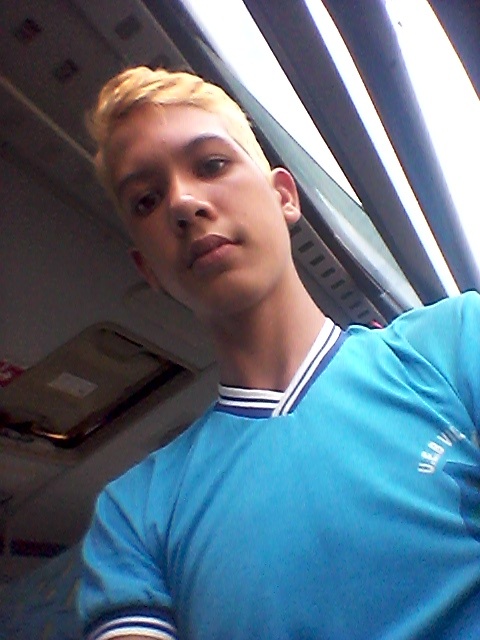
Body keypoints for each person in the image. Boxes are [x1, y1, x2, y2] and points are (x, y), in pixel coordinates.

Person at [78, 66, 480, 640]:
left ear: (284, 196)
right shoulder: (133, 515)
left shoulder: (456, 343)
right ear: (149, 270)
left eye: (211, 165)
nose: (183, 203)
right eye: (146, 200)